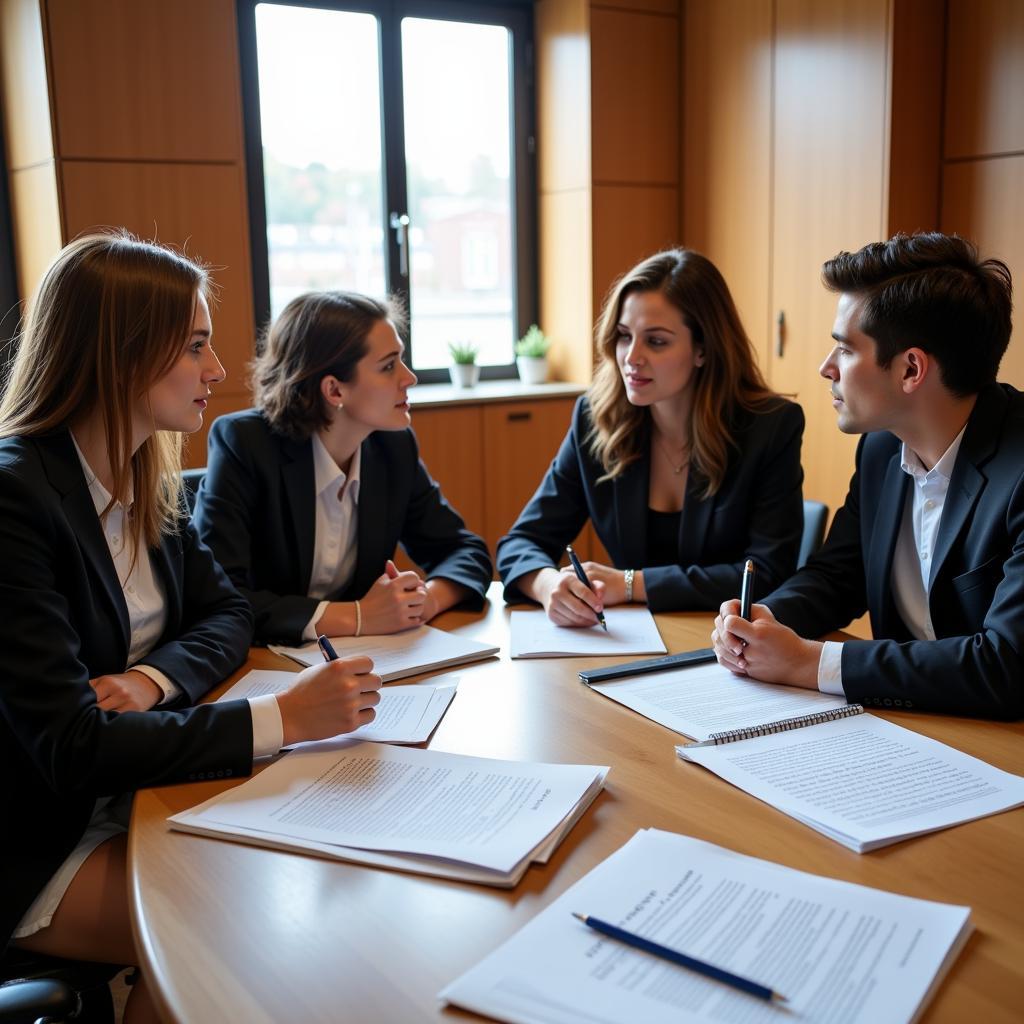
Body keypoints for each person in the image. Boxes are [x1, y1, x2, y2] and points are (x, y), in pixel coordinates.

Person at [0, 232, 382, 1021]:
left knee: (317, 885)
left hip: (142, 782)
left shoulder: (145, 474)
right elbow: (71, 747)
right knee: (233, 943)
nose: (216, 371)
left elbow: (228, 611)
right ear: (122, 354)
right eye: (197, 346)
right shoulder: (15, 499)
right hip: (40, 836)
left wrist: (152, 678)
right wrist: (283, 717)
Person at [712, 232, 1024, 720]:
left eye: (845, 350)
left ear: (910, 369)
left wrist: (808, 663)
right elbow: (839, 575)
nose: (826, 368)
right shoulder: (881, 447)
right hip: (910, 725)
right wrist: (765, 619)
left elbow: (1006, 664)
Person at [496, 248, 805, 626]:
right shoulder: (596, 420)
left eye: (656, 341)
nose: (631, 357)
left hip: (726, 647)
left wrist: (631, 584)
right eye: (625, 336)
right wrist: (548, 585)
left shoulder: (770, 427)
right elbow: (519, 544)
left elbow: (767, 574)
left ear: (703, 350)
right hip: (631, 646)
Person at [193, 290, 493, 645]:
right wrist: (359, 616)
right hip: (264, 666)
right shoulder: (245, 443)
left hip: (362, 660)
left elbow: (465, 551)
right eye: (388, 366)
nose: (409, 378)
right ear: (334, 390)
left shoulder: (392, 447)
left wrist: (424, 601)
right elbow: (222, 596)